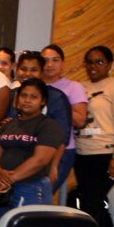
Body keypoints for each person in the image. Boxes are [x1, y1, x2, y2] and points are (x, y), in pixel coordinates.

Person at [0, 78, 63, 227]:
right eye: (23, 95)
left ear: (43, 101)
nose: (27, 99)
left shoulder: (49, 126)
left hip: (29, 187)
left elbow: (40, 160)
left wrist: (7, 180)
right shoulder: (8, 125)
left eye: (33, 97)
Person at [76, 45, 114, 227]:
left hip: (107, 153)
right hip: (82, 154)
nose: (94, 66)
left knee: (93, 201)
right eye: (89, 62)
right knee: (90, 200)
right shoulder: (80, 87)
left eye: (99, 62)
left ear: (110, 64)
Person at [12, 52, 73, 191]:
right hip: (16, 159)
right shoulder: (12, 94)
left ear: (42, 72)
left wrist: (54, 166)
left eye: (33, 70)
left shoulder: (56, 97)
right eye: (23, 69)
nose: (27, 73)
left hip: (45, 161)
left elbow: (62, 137)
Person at [41, 43, 90, 188]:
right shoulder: (35, 86)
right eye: (45, 60)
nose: (50, 64)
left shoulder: (73, 87)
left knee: (45, 192)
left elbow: (80, 120)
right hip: (35, 148)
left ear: (62, 64)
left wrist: (59, 106)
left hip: (62, 149)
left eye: (55, 60)